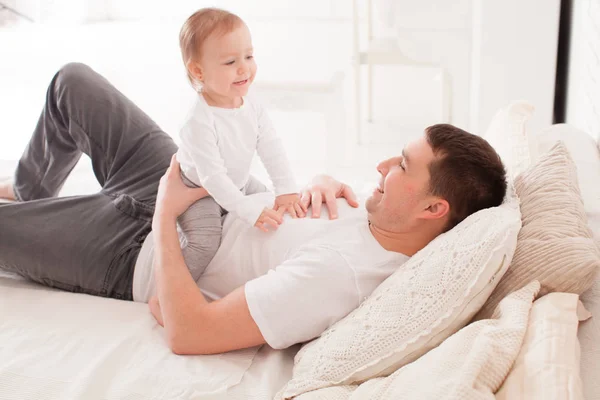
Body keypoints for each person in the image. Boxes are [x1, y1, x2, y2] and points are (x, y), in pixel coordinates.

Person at [0, 63, 507, 356]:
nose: (381, 166)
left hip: (138, 250)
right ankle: (30, 190)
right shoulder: (384, 216)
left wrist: (163, 214)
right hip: (207, 190)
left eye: (400, 164)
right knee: (72, 84)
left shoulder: (340, 277)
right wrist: (318, 182)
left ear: (434, 207)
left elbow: (190, 333)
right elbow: (304, 209)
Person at [174, 8, 303, 282]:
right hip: (200, 191)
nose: (244, 67)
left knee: (270, 202)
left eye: (249, 56)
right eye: (231, 61)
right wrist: (247, 209)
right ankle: (167, 294)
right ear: (198, 70)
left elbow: (270, 145)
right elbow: (213, 178)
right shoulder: (199, 121)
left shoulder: (251, 102)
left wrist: (286, 189)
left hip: (239, 180)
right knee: (205, 241)